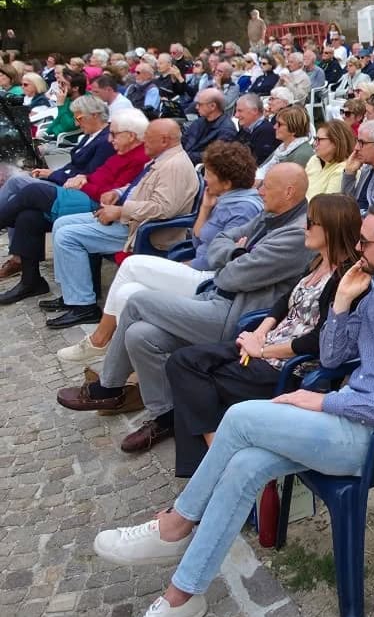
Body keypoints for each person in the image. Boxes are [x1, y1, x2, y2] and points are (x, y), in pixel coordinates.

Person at [90, 202, 374, 617]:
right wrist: (342, 302)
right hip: (348, 419)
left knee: (242, 418)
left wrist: (323, 401)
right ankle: (181, 599)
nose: (358, 248)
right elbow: (332, 355)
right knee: (245, 464)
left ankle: (176, 524)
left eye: (365, 242)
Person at [56, 164, 310, 454]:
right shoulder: (270, 215)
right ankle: (167, 416)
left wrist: (231, 258)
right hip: (215, 296)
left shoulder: (295, 233)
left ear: (289, 192)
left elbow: (231, 275)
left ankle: (109, 387)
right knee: (140, 335)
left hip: (237, 317)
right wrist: (238, 253)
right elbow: (219, 243)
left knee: (137, 300)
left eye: (267, 187)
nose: (259, 191)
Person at [166, 193, 364, 477]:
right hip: (266, 348)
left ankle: (210, 466)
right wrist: (259, 333)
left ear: (331, 228)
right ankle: (215, 456)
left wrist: (263, 351)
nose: (304, 228)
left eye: (311, 223)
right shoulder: (317, 262)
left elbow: (318, 340)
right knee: (183, 362)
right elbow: (285, 300)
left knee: (196, 383)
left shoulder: (346, 279)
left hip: (288, 368)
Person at [55, 141, 263, 365]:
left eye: (209, 174)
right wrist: (205, 207)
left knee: (132, 265)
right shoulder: (223, 200)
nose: (205, 179)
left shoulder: (243, 208)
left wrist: (189, 264)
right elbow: (198, 237)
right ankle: (128, 365)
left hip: (210, 281)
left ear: (227, 181)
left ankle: (99, 340)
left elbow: (220, 256)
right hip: (198, 267)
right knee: (127, 292)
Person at [41, 120, 200, 328]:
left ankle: (83, 306)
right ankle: (73, 294)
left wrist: (120, 211)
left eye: (148, 137)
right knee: (62, 223)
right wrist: (117, 193)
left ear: (164, 140)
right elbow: (139, 187)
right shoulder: (162, 158)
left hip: (143, 230)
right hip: (132, 220)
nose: (143, 141)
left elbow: (162, 209)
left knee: (68, 236)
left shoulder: (174, 166)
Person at [0, 106, 149, 305]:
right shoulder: (122, 152)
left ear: (130, 136)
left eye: (114, 134)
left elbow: (112, 193)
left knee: (30, 191)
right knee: (29, 217)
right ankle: (31, 281)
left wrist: (84, 182)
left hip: (95, 204)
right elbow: (98, 175)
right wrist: (84, 178)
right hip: (84, 194)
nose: (110, 138)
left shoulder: (138, 157)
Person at [257, 105, 314, 180]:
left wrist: (259, 183)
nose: (275, 127)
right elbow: (262, 167)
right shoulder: (283, 147)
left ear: (293, 129)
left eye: (279, 124)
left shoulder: (302, 155)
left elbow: (290, 184)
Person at [305, 118, 353, 198]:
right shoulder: (315, 159)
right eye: (315, 139)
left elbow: (326, 206)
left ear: (336, 142)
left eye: (319, 140)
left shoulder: (344, 169)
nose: (314, 144)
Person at [233, 93, 277, 166]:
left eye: (240, 111)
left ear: (255, 111)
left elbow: (255, 163)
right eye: (236, 111)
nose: (236, 115)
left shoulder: (266, 132)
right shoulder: (246, 126)